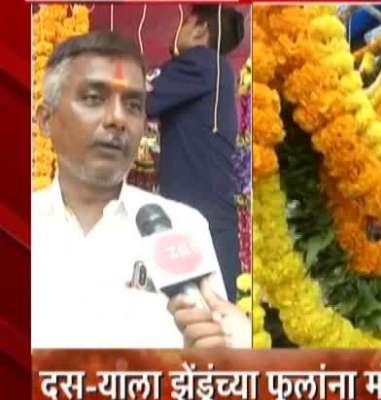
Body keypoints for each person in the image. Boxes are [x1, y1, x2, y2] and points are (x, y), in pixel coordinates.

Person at [32, 31, 249, 348]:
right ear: (46, 120)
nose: (118, 119)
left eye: (133, 105)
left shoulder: (184, 227)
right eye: (93, 98)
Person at [147, 5, 245, 301]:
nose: (179, 30)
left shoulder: (200, 62)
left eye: (186, 23)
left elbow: (145, 99)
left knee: (202, 304)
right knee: (218, 305)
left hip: (198, 212)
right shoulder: (216, 70)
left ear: (200, 30)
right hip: (211, 206)